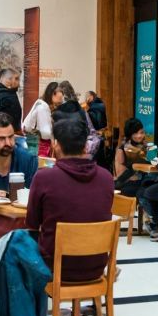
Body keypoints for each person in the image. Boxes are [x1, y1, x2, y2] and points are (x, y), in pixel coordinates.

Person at [25, 117, 115, 280]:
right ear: (86, 145)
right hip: (95, 267)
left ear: (56, 144)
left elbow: (32, 224)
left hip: (54, 269)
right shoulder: (106, 177)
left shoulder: (44, 178)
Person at [21, 82, 61, 157]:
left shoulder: (40, 103)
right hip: (38, 146)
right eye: (59, 98)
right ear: (53, 93)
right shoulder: (43, 107)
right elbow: (46, 133)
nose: (57, 106)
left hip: (32, 142)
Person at [114, 118, 150, 195]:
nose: (139, 136)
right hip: (129, 182)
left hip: (145, 180)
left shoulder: (146, 147)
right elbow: (120, 175)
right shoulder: (122, 150)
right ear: (129, 134)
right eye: (135, 133)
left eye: (141, 132)